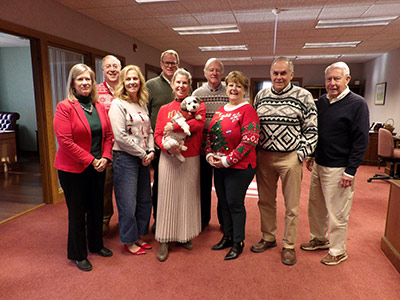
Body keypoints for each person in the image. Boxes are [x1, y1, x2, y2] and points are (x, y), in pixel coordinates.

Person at [300, 62, 369, 266]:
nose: (332, 83)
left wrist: (351, 171)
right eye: (329, 79)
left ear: (347, 79)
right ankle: (319, 239)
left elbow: (361, 140)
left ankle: (338, 250)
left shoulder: (357, 104)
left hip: (339, 168)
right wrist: (312, 154)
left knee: (338, 212)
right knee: (316, 206)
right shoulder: (321, 102)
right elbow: (317, 133)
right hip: (320, 164)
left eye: (336, 79)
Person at [251, 57, 318, 266]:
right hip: (264, 156)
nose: (278, 77)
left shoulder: (304, 96)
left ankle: (289, 245)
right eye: (275, 73)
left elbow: (312, 129)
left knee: (291, 205)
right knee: (265, 201)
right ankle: (268, 237)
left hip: (290, 157)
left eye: (283, 73)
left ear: (290, 74)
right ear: (270, 75)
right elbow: (252, 124)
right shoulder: (261, 96)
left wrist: (301, 153)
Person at [54, 63, 113, 272]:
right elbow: (65, 141)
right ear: (73, 83)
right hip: (73, 169)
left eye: (88, 79)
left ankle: (96, 245)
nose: (85, 83)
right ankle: (78, 254)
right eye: (80, 79)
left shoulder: (98, 106)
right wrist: (91, 160)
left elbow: (108, 136)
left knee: (97, 207)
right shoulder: (65, 107)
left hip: (98, 166)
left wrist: (105, 157)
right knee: (78, 212)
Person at [206, 71, 260, 260]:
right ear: (226, 87)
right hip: (219, 165)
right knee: (223, 202)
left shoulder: (248, 111)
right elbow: (210, 135)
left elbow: (249, 141)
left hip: (239, 167)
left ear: (244, 90)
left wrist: (227, 160)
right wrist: (210, 155)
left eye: (238, 86)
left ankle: (238, 241)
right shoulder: (221, 110)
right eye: (231, 85)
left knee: (235, 204)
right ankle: (227, 236)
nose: (234, 89)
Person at [154, 68, 205, 262]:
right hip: (168, 158)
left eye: (185, 82)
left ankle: (184, 236)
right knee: (167, 197)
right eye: (178, 82)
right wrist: (168, 149)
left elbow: (198, 126)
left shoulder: (197, 105)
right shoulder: (165, 109)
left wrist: (174, 127)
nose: (181, 86)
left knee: (187, 197)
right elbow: (158, 134)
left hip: (191, 158)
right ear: (172, 85)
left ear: (189, 85)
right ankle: (164, 239)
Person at [108, 65, 155, 255]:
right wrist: (143, 153)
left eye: (135, 79)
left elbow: (149, 130)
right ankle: (129, 239)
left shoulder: (142, 103)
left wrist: (151, 149)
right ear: (123, 83)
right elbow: (120, 136)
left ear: (140, 82)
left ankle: (139, 234)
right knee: (128, 202)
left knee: (144, 200)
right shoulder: (117, 104)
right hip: (125, 158)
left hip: (142, 157)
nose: (132, 82)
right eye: (128, 79)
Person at [192, 58, 229, 231]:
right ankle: (203, 220)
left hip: (223, 150)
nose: (214, 73)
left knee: (223, 189)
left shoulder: (229, 93)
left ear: (222, 74)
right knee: (203, 187)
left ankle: (224, 221)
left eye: (217, 70)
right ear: (205, 73)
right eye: (211, 70)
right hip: (201, 149)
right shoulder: (197, 94)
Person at [147, 50, 180, 233]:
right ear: (161, 64)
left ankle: (177, 219)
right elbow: (145, 114)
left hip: (181, 145)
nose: (170, 66)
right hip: (160, 145)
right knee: (160, 185)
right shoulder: (151, 85)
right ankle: (158, 219)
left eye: (173, 63)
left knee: (178, 184)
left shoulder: (182, 84)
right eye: (167, 62)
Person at [97, 55, 121, 236]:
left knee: (127, 189)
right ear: (103, 70)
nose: (112, 69)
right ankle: (105, 220)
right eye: (108, 67)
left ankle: (128, 221)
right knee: (104, 188)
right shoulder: (95, 92)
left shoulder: (127, 90)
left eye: (115, 66)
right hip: (106, 149)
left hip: (126, 149)